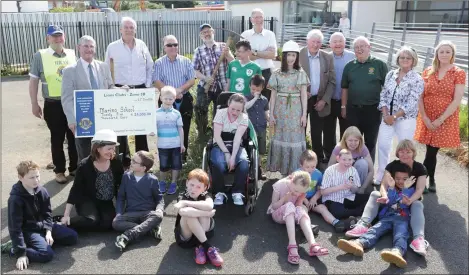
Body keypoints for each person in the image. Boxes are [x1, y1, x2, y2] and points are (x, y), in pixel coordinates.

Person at [346, 140, 429, 257]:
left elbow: (419, 190)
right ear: (397, 153)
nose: (404, 154)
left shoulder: (419, 168)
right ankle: (362, 228)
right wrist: (385, 196)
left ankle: (417, 239)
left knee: (412, 214)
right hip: (391, 205)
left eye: (408, 152)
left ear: (413, 153)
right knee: (375, 199)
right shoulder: (392, 166)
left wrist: (409, 199)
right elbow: (384, 186)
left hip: (407, 208)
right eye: (401, 151)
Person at [2, 161, 78, 271]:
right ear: (20, 177)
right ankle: (14, 248)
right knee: (46, 254)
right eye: (31, 178)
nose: (36, 180)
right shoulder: (15, 199)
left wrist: (48, 231)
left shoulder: (42, 191)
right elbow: (15, 228)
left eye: (37, 176)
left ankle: (41, 240)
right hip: (28, 230)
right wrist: (21, 253)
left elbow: (47, 213)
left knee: (72, 237)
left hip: (43, 226)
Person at [337, 162, 415, 268]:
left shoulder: (410, 189)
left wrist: (404, 188)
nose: (401, 181)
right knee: (375, 229)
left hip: (402, 217)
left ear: (409, 179)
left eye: (404, 179)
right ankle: (359, 243)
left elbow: (404, 202)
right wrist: (391, 188)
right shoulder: (391, 188)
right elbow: (390, 201)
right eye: (398, 178)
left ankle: (397, 252)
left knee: (401, 234)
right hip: (388, 216)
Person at [414, 40, 466, 192]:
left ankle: (422, 180)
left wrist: (440, 119)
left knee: (432, 150)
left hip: (445, 117)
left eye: (447, 52)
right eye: (441, 51)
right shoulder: (428, 71)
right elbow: (420, 96)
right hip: (427, 115)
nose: (444, 54)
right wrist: (424, 116)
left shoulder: (458, 73)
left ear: (452, 54)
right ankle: (431, 180)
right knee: (431, 149)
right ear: (437, 54)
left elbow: (457, 99)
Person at [29, 24, 78, 184]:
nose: (57, 39)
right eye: (54, 36)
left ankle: (75, 168)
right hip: (53, 104)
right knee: (57, 139)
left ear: (64, 37)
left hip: (71, 103)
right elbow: (34, 81)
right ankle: (59, 171)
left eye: (60, 35)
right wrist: (34, 103)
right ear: (47, 38)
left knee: (74, 138)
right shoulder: (40, 56)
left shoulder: (71, 54)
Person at [105, 17, 154, 166]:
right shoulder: (113, 47)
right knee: (121, 128)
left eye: (131, 27)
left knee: (140, 126)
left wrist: (146, 85)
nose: (128, 30)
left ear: (135, 29)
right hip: (121, 89)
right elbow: (106, 69)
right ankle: (124, 160)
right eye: (126, 27)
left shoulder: (142, 45)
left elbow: (150, 66)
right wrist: (113, 87)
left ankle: (143, 159)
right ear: (120, 29)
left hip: (139, 89)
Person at [375, 46, 424, 186]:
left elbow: (411, 102)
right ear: (398, 59)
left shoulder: (417, 79)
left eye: (408, 58)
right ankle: (382, 175)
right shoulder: (391, 74)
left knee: (406, 150)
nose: (405, 60)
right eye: (402, 57)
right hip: (387, 118)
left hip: (405, 120)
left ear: (413, 60)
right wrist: (386, 115)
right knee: (383, 146)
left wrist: (394, 117)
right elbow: (383, 94)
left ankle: (407, 178)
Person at [58, 129, 124, 232]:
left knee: (109, 224)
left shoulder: (116, 163)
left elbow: (121, 185)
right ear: (98, 148)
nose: (112, 152)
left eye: (113, 148)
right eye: (109, 149)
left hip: (105, 201)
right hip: (86, 200)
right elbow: (75, 190)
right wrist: (66, 214)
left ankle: (91, 222)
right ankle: (61, 222)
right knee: (91, 220)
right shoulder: (85, 165)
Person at [61, 35, 114, 162]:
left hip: (104, 117)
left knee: (104, 152)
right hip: (83, 120)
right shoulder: (69, 71)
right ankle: (85, 180)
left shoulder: (104, 67)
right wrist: (71, 119)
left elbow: (110, 87)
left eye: (91, 46)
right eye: (86, 46)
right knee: (85, 155)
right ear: (79, 48)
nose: (89, 49)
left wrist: (123, 91)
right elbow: (67, 98)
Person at [341, 36, 389, 163]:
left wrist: (386, 110)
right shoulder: (349, 66)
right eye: (356, 47)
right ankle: (351, 168)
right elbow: (344, 88)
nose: (359, 49)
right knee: (352, 141)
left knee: (370, 142)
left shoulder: (379, 65)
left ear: (369, 48)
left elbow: (387, 88)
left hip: (373, 110)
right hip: (353, 110)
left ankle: (369, 170)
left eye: (362, 46)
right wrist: (343, 106)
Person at [267, 170, 328, 265]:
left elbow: (297, 206)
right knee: (290, 205)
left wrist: (301, 207)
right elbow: (274, 206)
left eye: (300, 192)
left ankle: (312, 244)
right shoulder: (280, 184)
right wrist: (285, 198)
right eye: (295, 190)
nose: (297, 194)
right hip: (277, 214)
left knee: (300, 209)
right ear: (291, 181)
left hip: (290, 214)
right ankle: (292, 245)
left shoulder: (301, 191)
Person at [267, 40, 308, 176]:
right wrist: (271, 114)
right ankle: (282, 171)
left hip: (296, 111)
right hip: (280, 109)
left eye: (293, 55)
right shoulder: (277, 73)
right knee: (281, 137)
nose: (291, 58)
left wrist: (304, 115)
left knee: (294, 138)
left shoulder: (300, 73)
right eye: (288, 55)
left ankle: (295, 171)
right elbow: (272, 95)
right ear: (284, 56)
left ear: (296, 57)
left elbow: (303, 95)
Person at [154, 35, 195, 163]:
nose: (173, 47)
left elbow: (192, 80)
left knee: (184, 127)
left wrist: (179, 91)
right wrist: (170, 93)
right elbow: (157, 80)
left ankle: (182, 155)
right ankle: (166, 156)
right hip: (166, 100)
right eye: (169, 45)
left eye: (175, 44)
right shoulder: (159, 63)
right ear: (164, 48)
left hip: (184, 98)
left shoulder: (186, 61)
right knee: (165, 127)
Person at [113, 151, 164, 251]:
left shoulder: (152, 180)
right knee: (116, 222)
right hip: (131, 213)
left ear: (143, 168)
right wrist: (118, 213)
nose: (131, 162)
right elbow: (121, 197)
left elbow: (159, 198)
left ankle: (127, 236)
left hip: (147, 213)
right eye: (132, 159)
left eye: (134, 161)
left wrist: (159, 209)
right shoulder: (126, 177)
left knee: (158, 216)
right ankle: (149, 228)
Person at [299, 29, 336, 165]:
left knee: (317, 132)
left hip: (319, 100)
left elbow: (332, 81)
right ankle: (301, 159)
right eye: (313, 41)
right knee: (300, 130)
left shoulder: (327, 57)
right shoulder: (298, 54)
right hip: (301, 99)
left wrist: (324, 100)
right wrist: (301, 92)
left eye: (318, 42)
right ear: (307, 41)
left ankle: (317, 160)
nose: (315, 44)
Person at [174, 169, 224, 267]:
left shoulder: (205, 195)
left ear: (205, 188)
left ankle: (199, 247)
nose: (194, 189)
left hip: (203, 231)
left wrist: (186, 203)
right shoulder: (183, 195)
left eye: (198, 187)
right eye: (192, 185)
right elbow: (183, 211)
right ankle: (207, 247)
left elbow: (209, 206)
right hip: (186, 236)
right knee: (188, 215)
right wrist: (207, 214)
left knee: (197, 214)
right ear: (187, 183)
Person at [299, 150, 357, 233]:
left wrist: (314, 198)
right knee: (303, 209)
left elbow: (320, 189)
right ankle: (307, 227)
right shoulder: (298, 174)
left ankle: (337, 223)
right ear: (301, 165)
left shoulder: (318, 174)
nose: (310, 170)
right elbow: (297, 191)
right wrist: (306, 202)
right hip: (300, 199)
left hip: (312, 198)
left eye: (313, 166)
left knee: (323, 208)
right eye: (307, 167)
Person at [193, 23, 234, 138]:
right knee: (201, 111)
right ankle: (202, 134)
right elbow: (194, 71)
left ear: (213, 32)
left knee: (220, 113)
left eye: (208, 31)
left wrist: (228, 55)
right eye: (203, 32)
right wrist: (205, 78)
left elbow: (233, 63)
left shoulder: (223, 46)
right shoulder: (198, 51)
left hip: (222, 86)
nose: (206, 34)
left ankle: (217, 135)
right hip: (205, 87)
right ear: (201, 36)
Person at [211, 93, 250, 206]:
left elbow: (237, 139)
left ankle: (237, 192)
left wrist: (233, 157)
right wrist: (227, 154)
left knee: (243, 163)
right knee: (218, 164)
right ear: (228, 104)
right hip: (220, 144)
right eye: (232, 109)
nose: (234, 112)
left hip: (236, 145)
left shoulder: (244, 118)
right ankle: (219, 193)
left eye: (238, 110)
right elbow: (217, 136)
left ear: (242, 110)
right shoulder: (220, 113)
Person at [321, 149, 370, 219]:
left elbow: (356, 190)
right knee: (338, 213)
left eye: (350, 160)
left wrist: (352, 186)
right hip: (332, 199)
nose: (347, 162)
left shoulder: (353, 170)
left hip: (348, 196)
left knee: (370, 197)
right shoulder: (330, 171)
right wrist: (340, 187)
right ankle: (359, 212)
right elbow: (323, 192)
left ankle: (357, 212)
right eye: (344, 160)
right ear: (338, 159)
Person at [241, 8, 277, 101]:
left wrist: (254, 52)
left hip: (266, 72)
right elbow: (245, 57)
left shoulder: (270, 34)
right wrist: (265, 53)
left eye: (260, 17)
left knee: (265, 101)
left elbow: (272, 55)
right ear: (251, 19)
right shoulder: (245, 35)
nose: (258, 20)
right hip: (250, 72)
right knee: (248, 101)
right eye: (256, 17)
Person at [155, 86, 185, 195]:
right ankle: (162, 182)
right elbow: (152, 128)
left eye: (171, 99)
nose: (168, 101)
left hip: (175, 144)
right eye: (166, 98)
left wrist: (182, 144)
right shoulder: (156, 113)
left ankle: (173, 183)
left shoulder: (176, 113)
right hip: (162, 144)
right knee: (163, 165)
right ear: (161, 98)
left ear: (174, 98)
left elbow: (180, 129)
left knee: (176, 165)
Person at [328, 126, 374, 193]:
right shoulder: (339, 147)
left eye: (356, 140)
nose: (353, 143)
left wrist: (363, 188)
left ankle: (358, 190)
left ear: (360, 140)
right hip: (341, 176)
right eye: (350, 140)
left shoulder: (362, 148)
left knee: (363, 163)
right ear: (345, 140)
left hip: (355, 177)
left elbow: (371, 171)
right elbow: (330, 166)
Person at [328, 32, 355, 139]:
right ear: (330, 44)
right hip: (329, 100)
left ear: (345, 43)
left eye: (340, 41)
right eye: (335, 42)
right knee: (329, 133)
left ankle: (345, 154)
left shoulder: (353, 57)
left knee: (346, 132)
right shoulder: (326, 57)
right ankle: (330, 155)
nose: (338, 44)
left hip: (347, 102)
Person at [245, 75, 269, 180]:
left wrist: (270, 119)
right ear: (249, 86)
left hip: (261, 128)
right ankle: (249, 170)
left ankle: (259, 170)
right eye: (253, 89)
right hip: (250, 129)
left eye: (257, 89)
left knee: (260, 151)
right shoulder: (246, 98)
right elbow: (246, 107)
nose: (255, 91)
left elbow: (266, 113)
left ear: (262, 88)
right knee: (250, 149)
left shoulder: (264, 100)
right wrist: (255, 98)